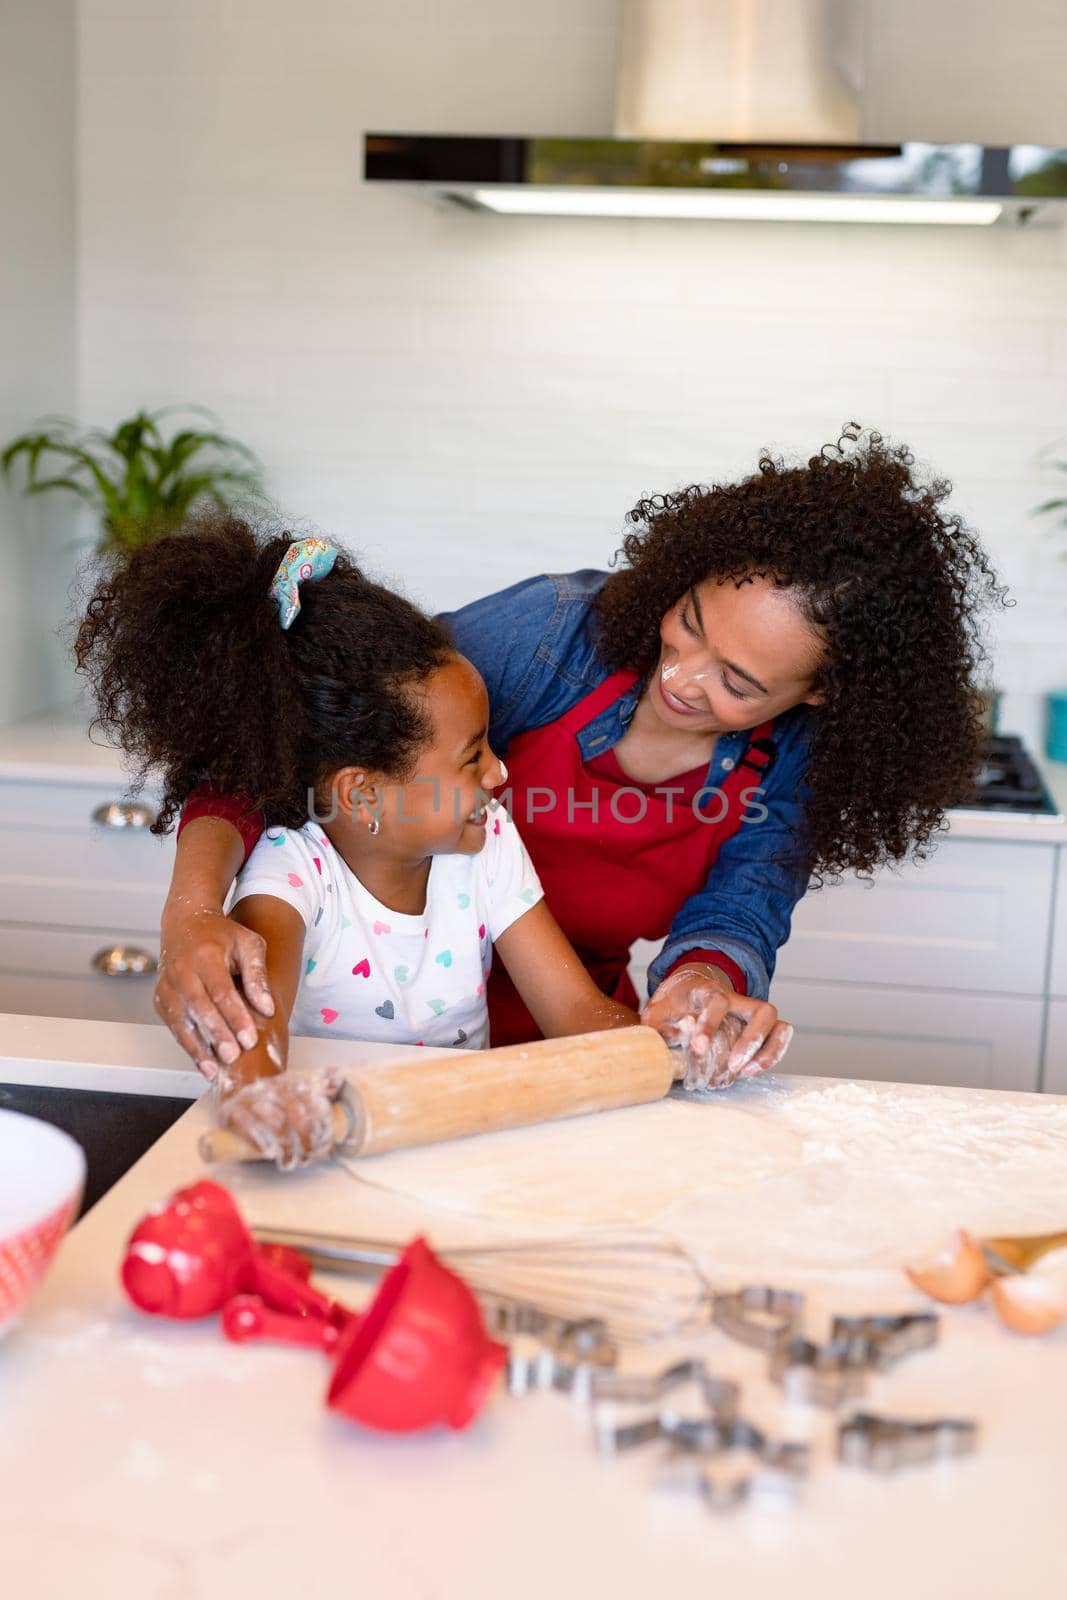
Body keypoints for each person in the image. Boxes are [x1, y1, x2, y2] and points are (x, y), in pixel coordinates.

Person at [148, 426, 1005, 1088]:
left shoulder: (785, 766)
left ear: (816, 694)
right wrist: (191, 911)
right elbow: (305, 727)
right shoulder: (550, 634)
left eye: (738, 681)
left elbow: (736, 914)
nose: (680, 675)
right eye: (691, 623)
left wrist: (698, 996)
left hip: (571, 1034)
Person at [75, 522, 653, 1168]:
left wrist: (671, 1046)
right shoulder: (294, 870)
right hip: (333, 1164)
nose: (500, 773)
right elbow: (252, 1036)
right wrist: (263, 1101)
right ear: (361, 795)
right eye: (471, 758)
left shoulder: (487, 843)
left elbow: (577, 1013)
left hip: (458, 1155)